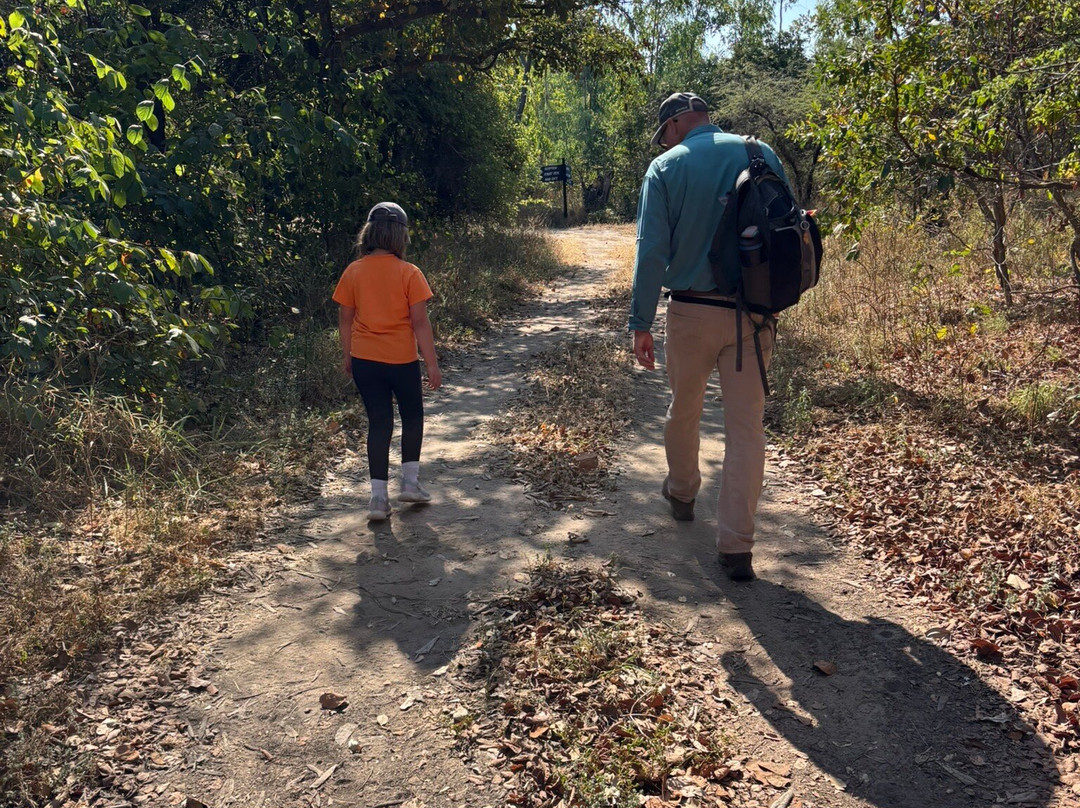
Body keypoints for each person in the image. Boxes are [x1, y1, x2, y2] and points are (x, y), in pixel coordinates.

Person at [628, 92, 792, 582]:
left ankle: (682, 492)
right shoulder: (761, 153)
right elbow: (785, 232)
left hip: (691, 311)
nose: (665, 141)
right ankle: (737, 546)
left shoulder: (666, 167)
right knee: (746, 429)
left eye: (664, 132)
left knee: (685, 407)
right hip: (754, 316)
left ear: (677, 123)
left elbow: (651, 250)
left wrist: (640, 322)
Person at [333, 202, 442, 521]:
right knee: (412, 416)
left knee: (379, 422)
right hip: (401, 360)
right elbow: (420, 323)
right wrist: (431, 364)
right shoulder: (409, 273)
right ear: (400, 237)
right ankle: (410, 483)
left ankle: (378, 500)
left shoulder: (353, 271)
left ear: (369, 234)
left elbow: (345, 319)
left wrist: (347, 355)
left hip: (365, 359)